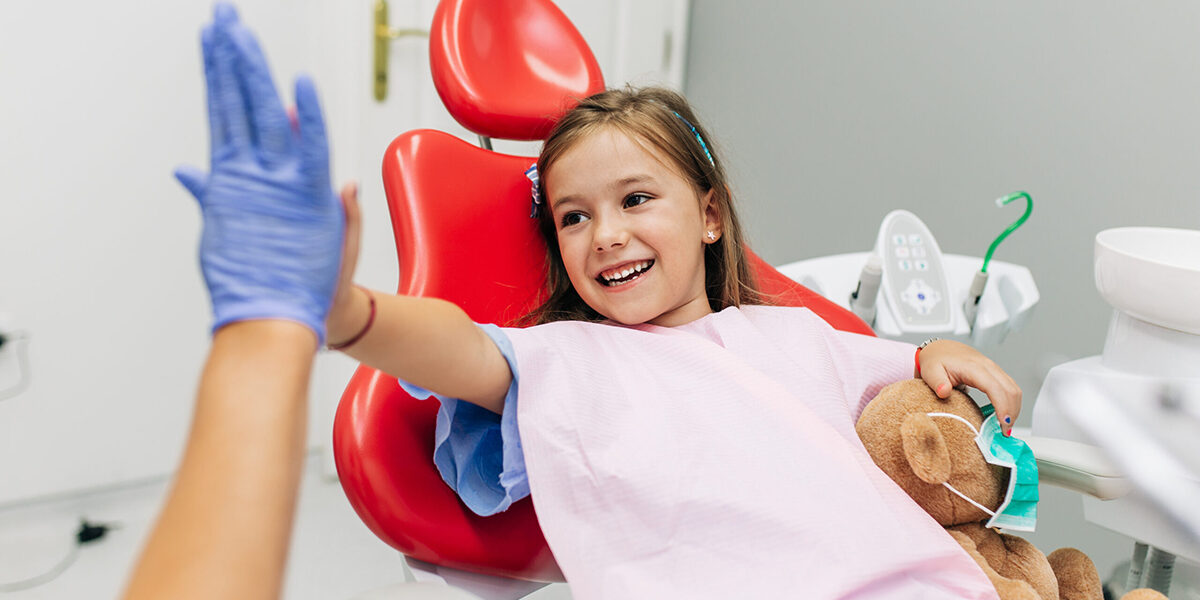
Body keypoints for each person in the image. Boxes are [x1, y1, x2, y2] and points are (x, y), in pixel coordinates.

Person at [131, 3, 1021, 598]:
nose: (605, 236)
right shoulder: (574, 360)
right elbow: (459, 347)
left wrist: (934, 355)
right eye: (572, 217)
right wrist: (345, 313)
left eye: (637, 201)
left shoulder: (796, 331)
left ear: (710, 217)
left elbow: (896, 374)